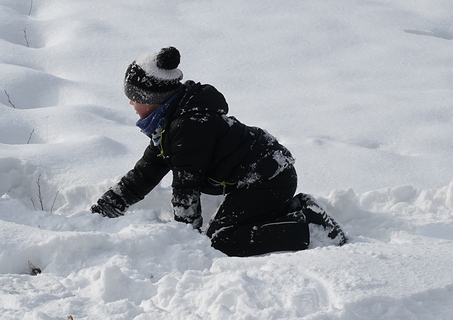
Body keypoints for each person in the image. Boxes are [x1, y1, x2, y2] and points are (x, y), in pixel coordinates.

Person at [90, 46, 346, 257]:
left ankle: (309, 228)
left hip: (266, 178)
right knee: (224, 233)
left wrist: (185, 240)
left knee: (224, 240)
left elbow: (186, 188)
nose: (131, 103)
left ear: (153, 99)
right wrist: (105, 208)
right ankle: (295, 208)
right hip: (268, 174)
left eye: (135, 97)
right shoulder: (170, 124)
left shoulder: (187, 126)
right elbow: (144, 173)